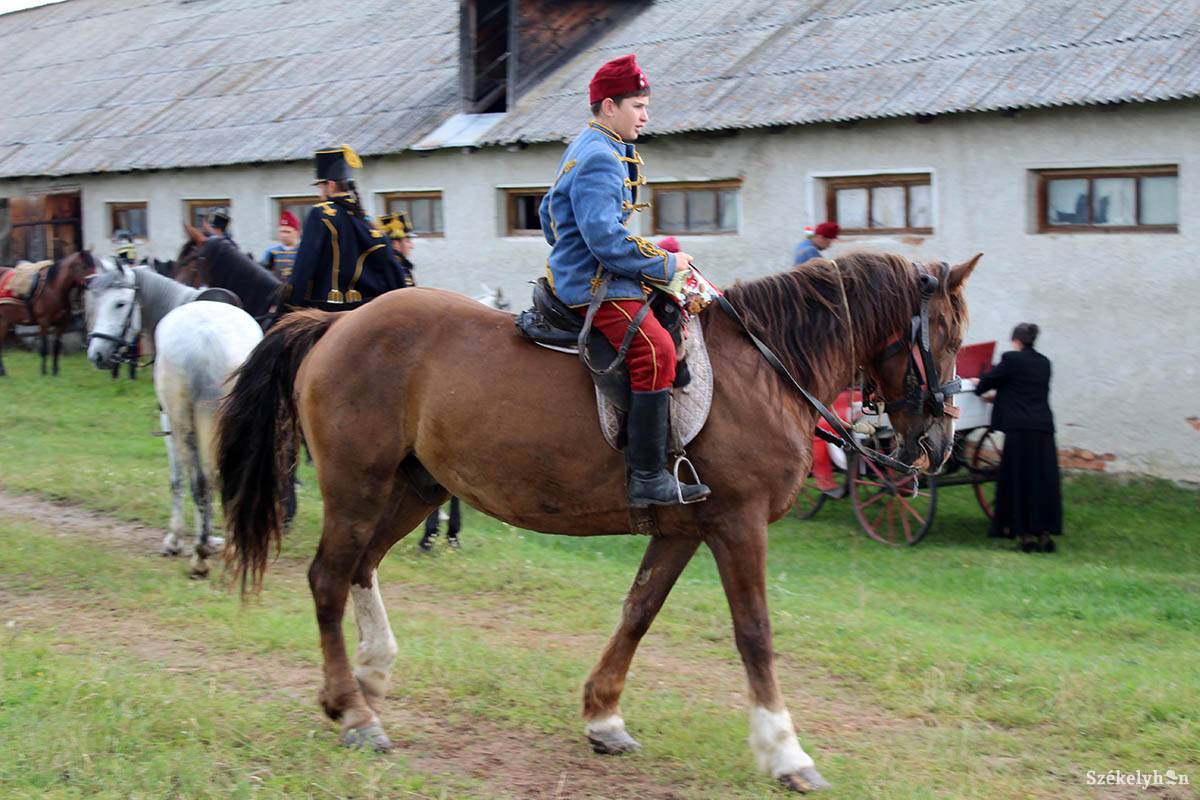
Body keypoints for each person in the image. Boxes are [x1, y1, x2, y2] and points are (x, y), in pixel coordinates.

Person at [539, 53, 709, 508]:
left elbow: (549, 216)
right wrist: (666, 265)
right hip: (594, 285)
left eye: (646, 104)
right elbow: (606, 242)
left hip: (588, 271)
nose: (646, 114)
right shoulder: (601, 156)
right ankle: (648, 478)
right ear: (609, 105)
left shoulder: (591, 145)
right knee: (655, 351)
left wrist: (652, 250)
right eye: (637, 105)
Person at [971, 323, 1062, 553]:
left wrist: (977, 383)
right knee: (1041, 482)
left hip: (1020, 431)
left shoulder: (1011, 359)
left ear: (1016, 341)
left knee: (1019, 481)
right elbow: (1022, 390)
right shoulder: (1044, 364)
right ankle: (1044, 533)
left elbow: (988, 382)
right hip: (1043, 430)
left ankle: (1025, 535)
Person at [285, 145, 407, 311]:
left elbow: (303, 267)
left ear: (330, 185)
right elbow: (391, 267)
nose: (319, 192)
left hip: (326, 310)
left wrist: (288, 304)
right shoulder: (364, 221)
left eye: (320, 186)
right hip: (367, 309)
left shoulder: (321, 213)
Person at [377, 212, 417, 287]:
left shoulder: (398, 264)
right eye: (407, 241)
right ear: (395, 244)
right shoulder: (394, 267)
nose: (412, 246)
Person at [260, 211, 301, 281]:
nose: (284, 235)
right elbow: (263, 274)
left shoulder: (303, 252)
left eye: (287, 232)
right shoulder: (271, 252)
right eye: (281, 231)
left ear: (297, 233)